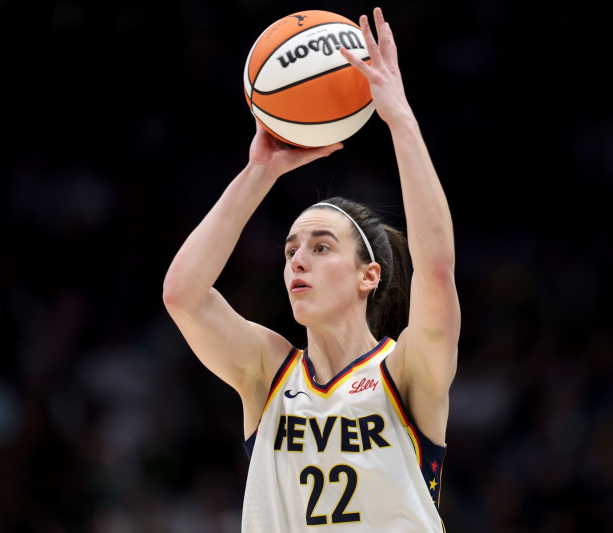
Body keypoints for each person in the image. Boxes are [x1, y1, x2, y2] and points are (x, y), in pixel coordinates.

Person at [163, 7, 459, 532]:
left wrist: (401, 122)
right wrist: (260, 171)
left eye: (321, 247)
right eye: (290, 249)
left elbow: (435, 272)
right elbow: (183, 294)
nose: (297, 258)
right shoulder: (268, 372)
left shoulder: (406, 373)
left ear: (369, 275)